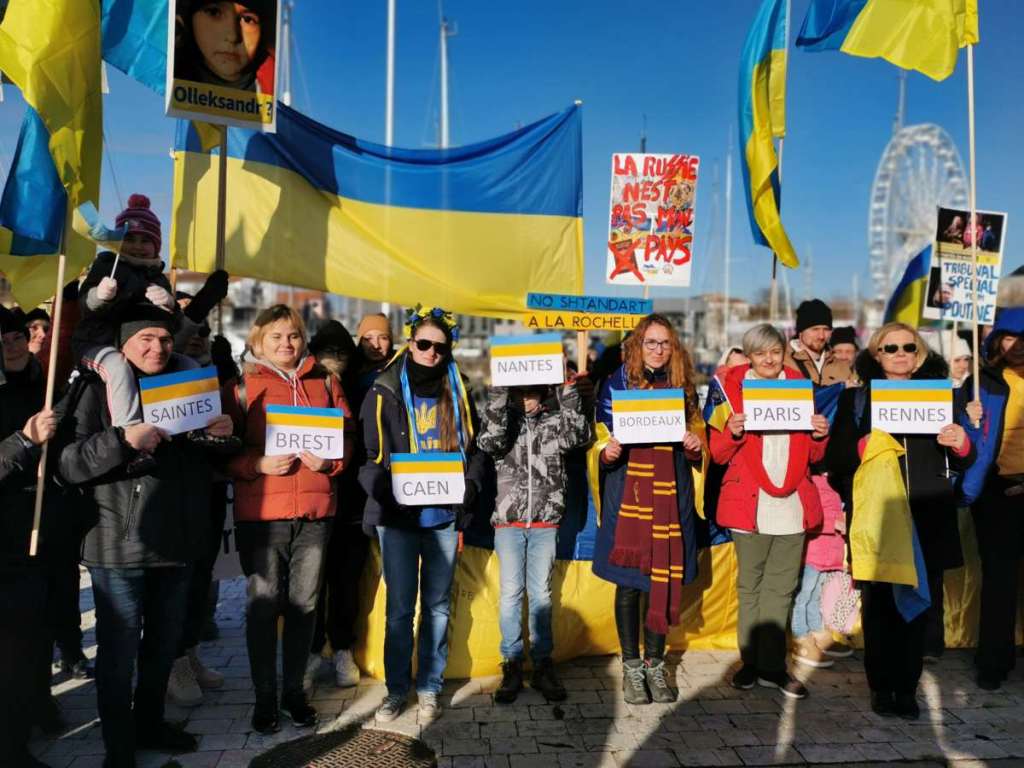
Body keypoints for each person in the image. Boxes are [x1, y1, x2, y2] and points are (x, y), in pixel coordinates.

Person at [56, 304, 236, 766]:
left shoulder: (190, 385)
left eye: (164, 339)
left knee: (162, 647)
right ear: (124, 345)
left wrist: (223, 433)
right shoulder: (95, 389)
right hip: (118, 544)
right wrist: (122, 440)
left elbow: (210, 459)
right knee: (118, 652)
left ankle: (151, 723)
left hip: (177, 541)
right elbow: (69, 464)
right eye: (145, 339)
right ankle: (119, 744)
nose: (157, 348)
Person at [827, 322, 974, 718]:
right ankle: (881, 686)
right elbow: (836, 461)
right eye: (889, 347)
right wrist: (860, 446)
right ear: (876, 355)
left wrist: (962, 444)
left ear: (920, 353)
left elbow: (966, 455)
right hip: (878, 517)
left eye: (909, 346)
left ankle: (907, 688)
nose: (899, 353)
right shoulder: (855, 401)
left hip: (928, 513)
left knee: (918, 610)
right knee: (879, 609)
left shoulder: (944, 396)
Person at [222, 305, 353, 734]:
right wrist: (255, 463)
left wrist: (332, 461)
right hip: (262, 515)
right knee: (263, 608)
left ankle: (294, 693)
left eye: (293, 335)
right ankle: (264, 698)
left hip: (315, 514)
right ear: (258, 341)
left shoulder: (326, 381)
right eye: (276, 336)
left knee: (305, 607)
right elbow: (219, 452)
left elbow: (348, 437)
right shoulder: (242, 387)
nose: (286, 344)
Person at [359, 306, 485, 724]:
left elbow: (477, 449)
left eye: (440, 346)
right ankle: (397, 691)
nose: (431, 352)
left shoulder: (460, 388)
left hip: (443, 517)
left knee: (437, 607)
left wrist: (469, 489)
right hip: (398, 519)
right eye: (424, 344)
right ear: (410, 343)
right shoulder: (385, 388)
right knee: (398, 609)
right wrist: (386, 496)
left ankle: (429, 685)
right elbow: (370, 457)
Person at [710, 323, 830, 700]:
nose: (768, 359)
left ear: (783, 352)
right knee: (750, 588)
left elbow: (814, 456)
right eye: (759, 352)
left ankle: (774, 667)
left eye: (774, 352)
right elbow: (717, 454)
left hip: (791, 504)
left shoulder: (799, 387)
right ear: (748, 355)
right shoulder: (727, 390)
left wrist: (819, 434)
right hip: (749, 504)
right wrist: (731, 430)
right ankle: (749, 662)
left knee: (782, 590)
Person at [592, 314, 702, 706]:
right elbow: (598, 440)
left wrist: (694, 445)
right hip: (629, 491)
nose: (657, 350)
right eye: (650, 342)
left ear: (674, 348)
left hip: (672, 491)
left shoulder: (684, 388)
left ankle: (656, 664)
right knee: (627, 582)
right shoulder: (615, 384)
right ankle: (632, 666)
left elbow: (700, 436)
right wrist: (606, 452)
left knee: (662, 575)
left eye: (664, 343)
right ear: (637, 345)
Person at [72, 195, 228, 466]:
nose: (138, 246)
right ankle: (129, 435)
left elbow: (171, 326)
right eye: (130, 239)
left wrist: (170, 305)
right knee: (118, 368)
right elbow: (87, 306)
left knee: (189, 365)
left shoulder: (158, 276)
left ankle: (204, 425)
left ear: (156, 246)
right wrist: (101, 294)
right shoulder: (107, 265)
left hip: (136, 347)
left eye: (145, 241)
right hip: (97, 344)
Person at [478, 374, 591, 704]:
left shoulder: (555, 421)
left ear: (542, 391)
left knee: (541, 593)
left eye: (532, 391)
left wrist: (568, 392)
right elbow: (490, 441)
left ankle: (543, 664)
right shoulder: (502, 421)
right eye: (520, 391)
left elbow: (580, 435)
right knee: (511, 591)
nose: (527, 397)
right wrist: (498, 390)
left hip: (545, 521)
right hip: (508, 523)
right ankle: (511, 662)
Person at [0, 307, 59, 768]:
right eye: (3, 337)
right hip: (5, 534)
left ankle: (36, 708)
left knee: (37, 633)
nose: (12, 343)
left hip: (41, 525)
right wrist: (23, 441)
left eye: (17, 335)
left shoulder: (46, 379)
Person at [958, 307, 1024, 690]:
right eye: (1008, 337)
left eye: (1022, 337)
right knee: (998, 580)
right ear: (996, 339)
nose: (1014, 345)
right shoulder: (983, 382)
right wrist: (968, 415)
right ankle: (993, 662)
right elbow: (967, 440)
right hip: (996, 492)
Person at [306, 320, 368, 690]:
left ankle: (343, 648)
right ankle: (311, 652)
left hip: (354, 504)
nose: (334, 364)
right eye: (327, 356)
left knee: (346, 584)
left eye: (341, 356)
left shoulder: (365, 389)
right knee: (310, 585)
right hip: (313, 501)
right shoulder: (304, 388)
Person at [174, 0, 276, 93]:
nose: (233, 36)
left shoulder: (281, 86)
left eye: (248, 19)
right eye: (214, 12)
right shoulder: (167, 80)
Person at [783, 299, 852, 387]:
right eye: (815, 329)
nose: (821, 336)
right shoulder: (783, 361)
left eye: (826, 329)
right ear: (801, 332)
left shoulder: (843, 368)